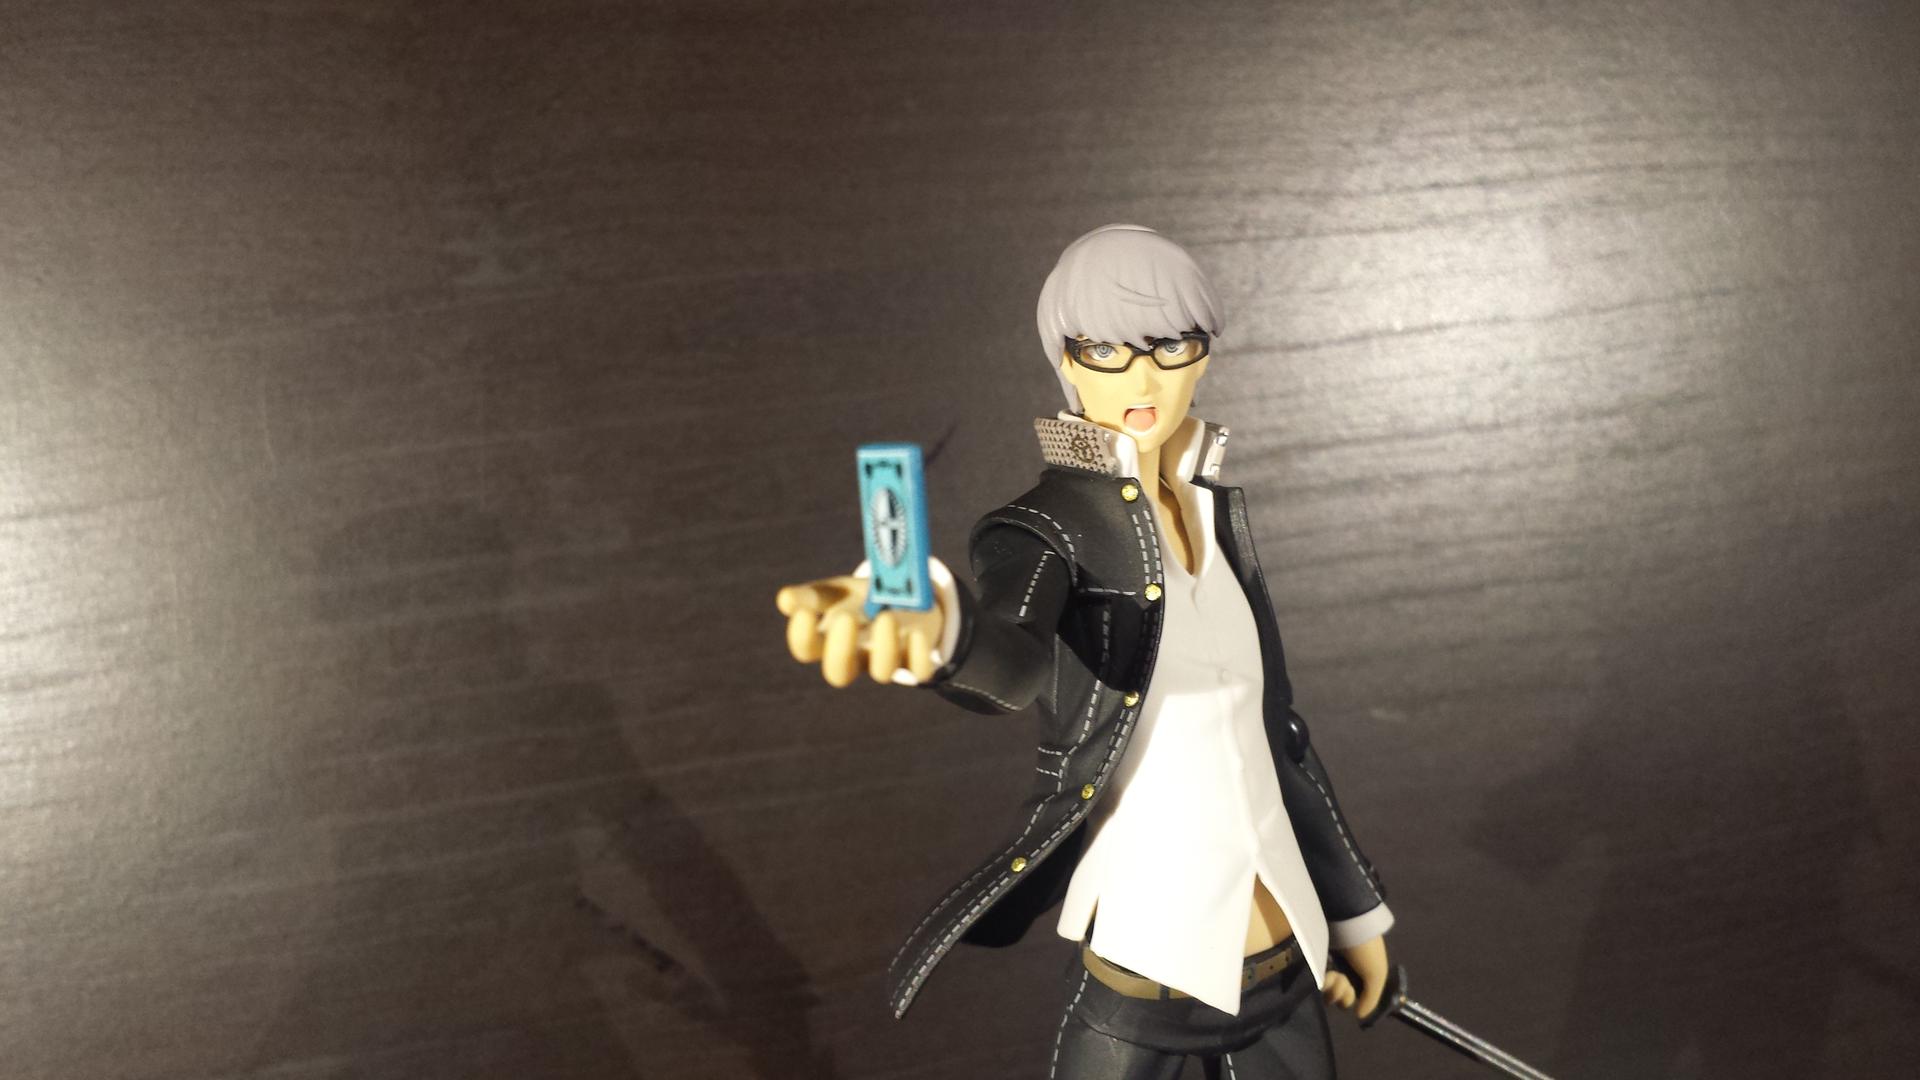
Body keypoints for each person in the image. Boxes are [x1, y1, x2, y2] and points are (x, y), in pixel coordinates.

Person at [777, 225, 1392, 1079]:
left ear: (1204, 353)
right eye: (1104, 350)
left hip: (1286, 971)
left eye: (1170, 345)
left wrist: (1356, 916)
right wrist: (941, 636)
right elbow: (1015, 661)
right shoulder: (1047, 529)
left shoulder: (1215, 516)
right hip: (1145, 978)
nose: (1142, 378)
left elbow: (1276, 739)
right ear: (1065, 360)